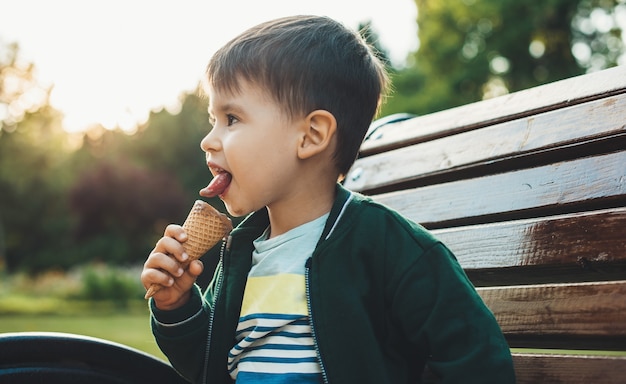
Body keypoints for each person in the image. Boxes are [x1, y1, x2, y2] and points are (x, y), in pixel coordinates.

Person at [141, 15, 515, 384]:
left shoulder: (388, 246)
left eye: (232, 118)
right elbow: (206, 366)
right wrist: (177, 306)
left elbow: (476, 356)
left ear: (311, 136)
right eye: (213, 120)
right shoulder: (242, 251)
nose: (209, 139)